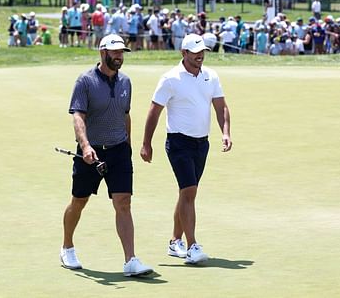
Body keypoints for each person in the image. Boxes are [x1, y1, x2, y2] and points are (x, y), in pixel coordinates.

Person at [60, 34, 153, 277]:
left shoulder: (126, 82)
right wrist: (86, 146)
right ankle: (67, 246)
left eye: (122, 52)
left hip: (119, 151)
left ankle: (130, 260)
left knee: (123, 203)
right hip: (91, 152)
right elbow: (78, 117)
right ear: (103, 53)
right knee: (79, 201)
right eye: (115, 52)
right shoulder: (86, 81)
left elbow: (125, 115)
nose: (120, 56)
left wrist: (129, 147)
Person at [140, 33, 232, 265]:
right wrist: (146, 143)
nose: (200, 55)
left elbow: (220, 106)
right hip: (179, 142)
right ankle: (192, 246)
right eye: (195, 52)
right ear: (184, 53)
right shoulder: (170, 78)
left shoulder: (211, 76)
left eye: (202, 52)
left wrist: (226, 132)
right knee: (189, 192)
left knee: (186, 193)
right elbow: (154, 111)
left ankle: (174, 242)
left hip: (202, 144)